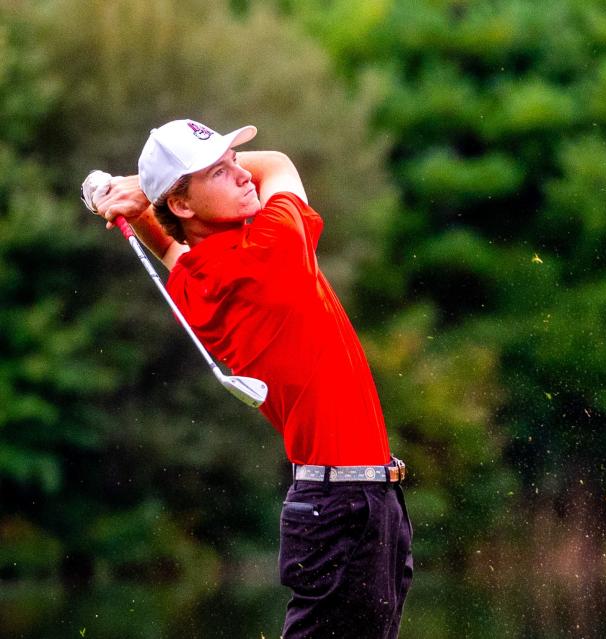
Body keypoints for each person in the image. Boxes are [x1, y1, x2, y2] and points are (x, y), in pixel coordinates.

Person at [88, 119, 413, 639]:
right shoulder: (272, 245)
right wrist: (138, 186)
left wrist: (146, 203)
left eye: (235, 161)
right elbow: (279, 162)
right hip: (345, 508)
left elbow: (176, 254)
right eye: (219, 170)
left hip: (353, 504)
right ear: (183, 204)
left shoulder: (198, 287)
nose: (242, 174)